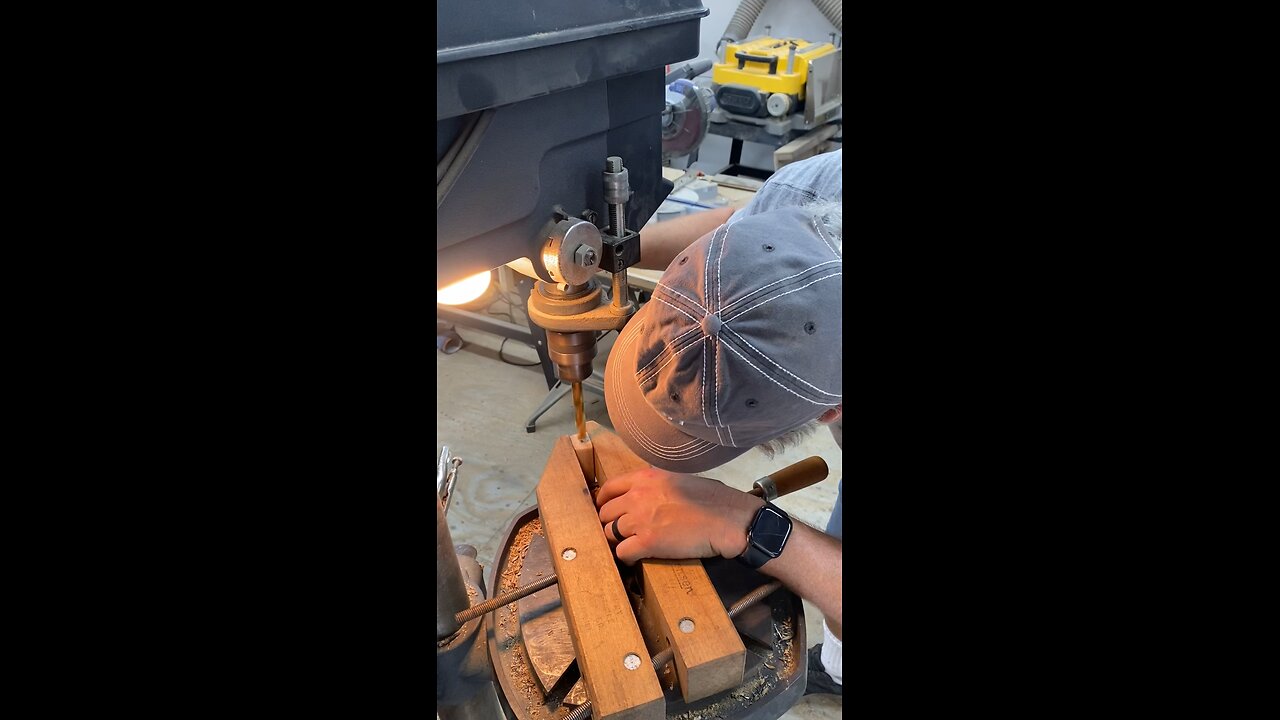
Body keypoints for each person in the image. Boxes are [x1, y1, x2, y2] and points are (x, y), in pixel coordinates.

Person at [598, 150, 843, 695]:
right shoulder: (808, 193)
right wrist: (617, 250)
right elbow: (744, 226)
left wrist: (750, 525)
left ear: (831, 410)